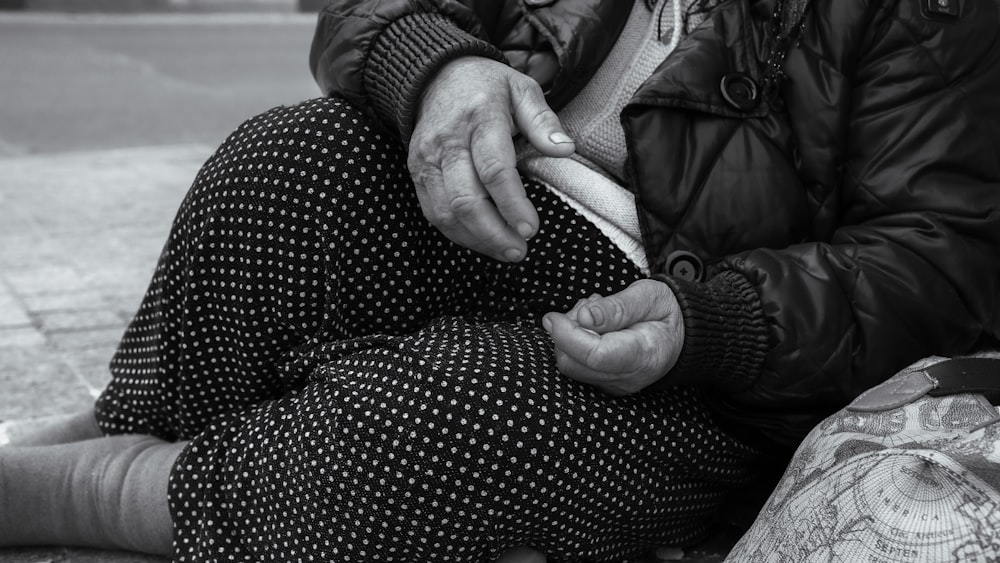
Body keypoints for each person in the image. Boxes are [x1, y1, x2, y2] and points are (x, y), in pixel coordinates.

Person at [2, 0, 999, 561]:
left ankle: (106, 486)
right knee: (289, 160)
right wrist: (433, 67)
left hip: (719, 361)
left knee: (461, 417)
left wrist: (707, 322)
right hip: (507, 228)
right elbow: (368, 13)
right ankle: (146, 417)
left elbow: (940, 253)